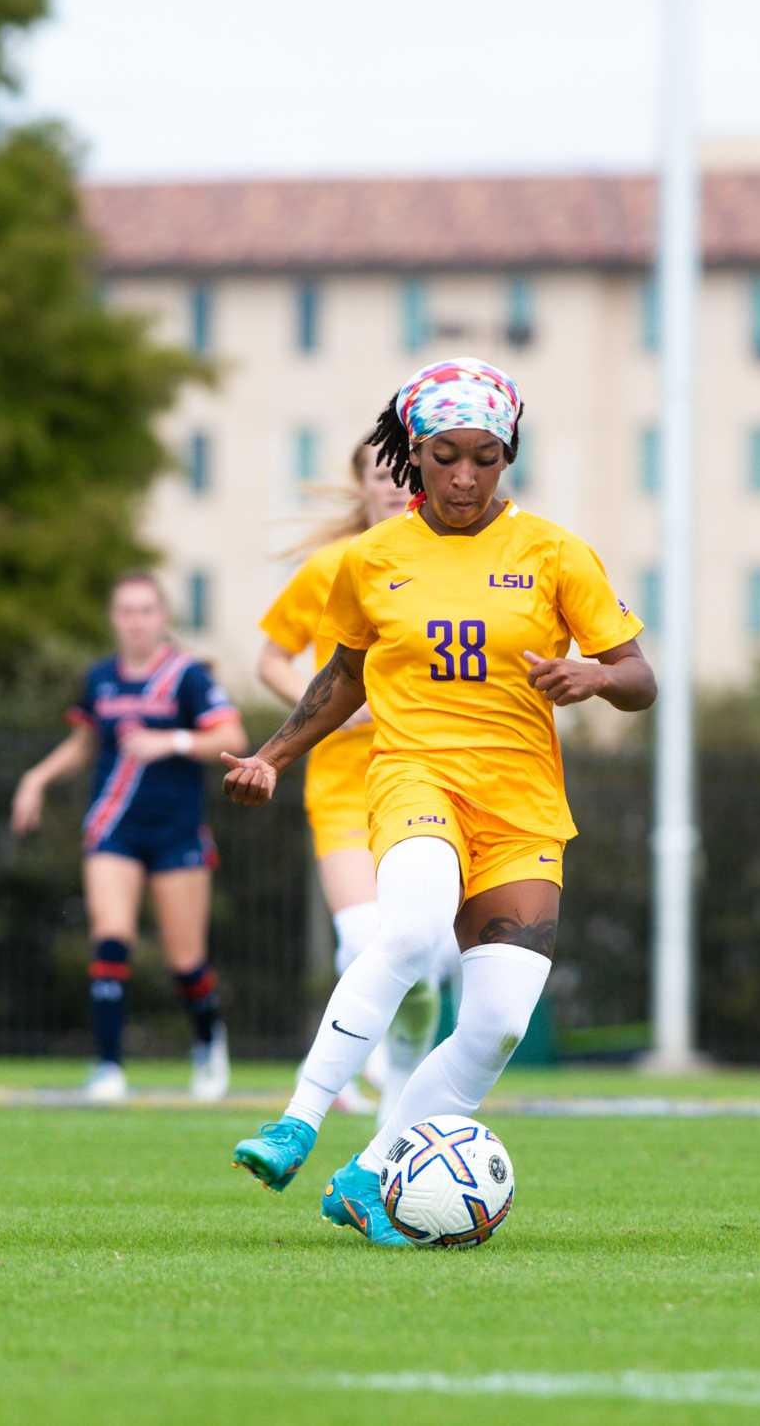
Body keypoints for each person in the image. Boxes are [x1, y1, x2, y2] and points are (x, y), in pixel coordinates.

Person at [223, 358, 655, 1244]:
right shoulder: (370, 560)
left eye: (485, 457)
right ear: (412, 455)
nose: (465, 476)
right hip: (415, 777)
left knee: (495, 1024)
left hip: (524, 807)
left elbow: (641, 677)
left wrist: (595, 674)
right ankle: (297, 1120)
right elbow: (342, 677)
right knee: (412, 930)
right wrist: (274, 754)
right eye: (446, 456)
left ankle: (369, 1173)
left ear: (508, 455)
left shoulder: (555, 551)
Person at [257, 442, 448, 1117]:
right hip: (343, 789)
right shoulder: (333, 566)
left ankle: (395, 1080)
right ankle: (337, 1075)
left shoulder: (451, 566)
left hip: (431, 783)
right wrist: (328, 713)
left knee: (425, 959)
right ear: (362, 488)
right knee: (366, 937)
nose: (395, 487)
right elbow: (273, 659)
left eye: (405, 475)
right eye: (381, 476)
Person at [11, 573, 249, 1103]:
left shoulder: (186, 677)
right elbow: (83, 745)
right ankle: (108, 1067)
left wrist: (172, 741)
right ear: (114, 618)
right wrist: (36, 779)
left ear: (163, 617)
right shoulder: (100, 678)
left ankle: (209, 1041)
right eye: (126, 611)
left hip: (176, 831)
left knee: (186, 961)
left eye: (145, 610)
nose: (136, 621)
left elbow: (233, 737)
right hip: (114, 827)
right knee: (111, 935)